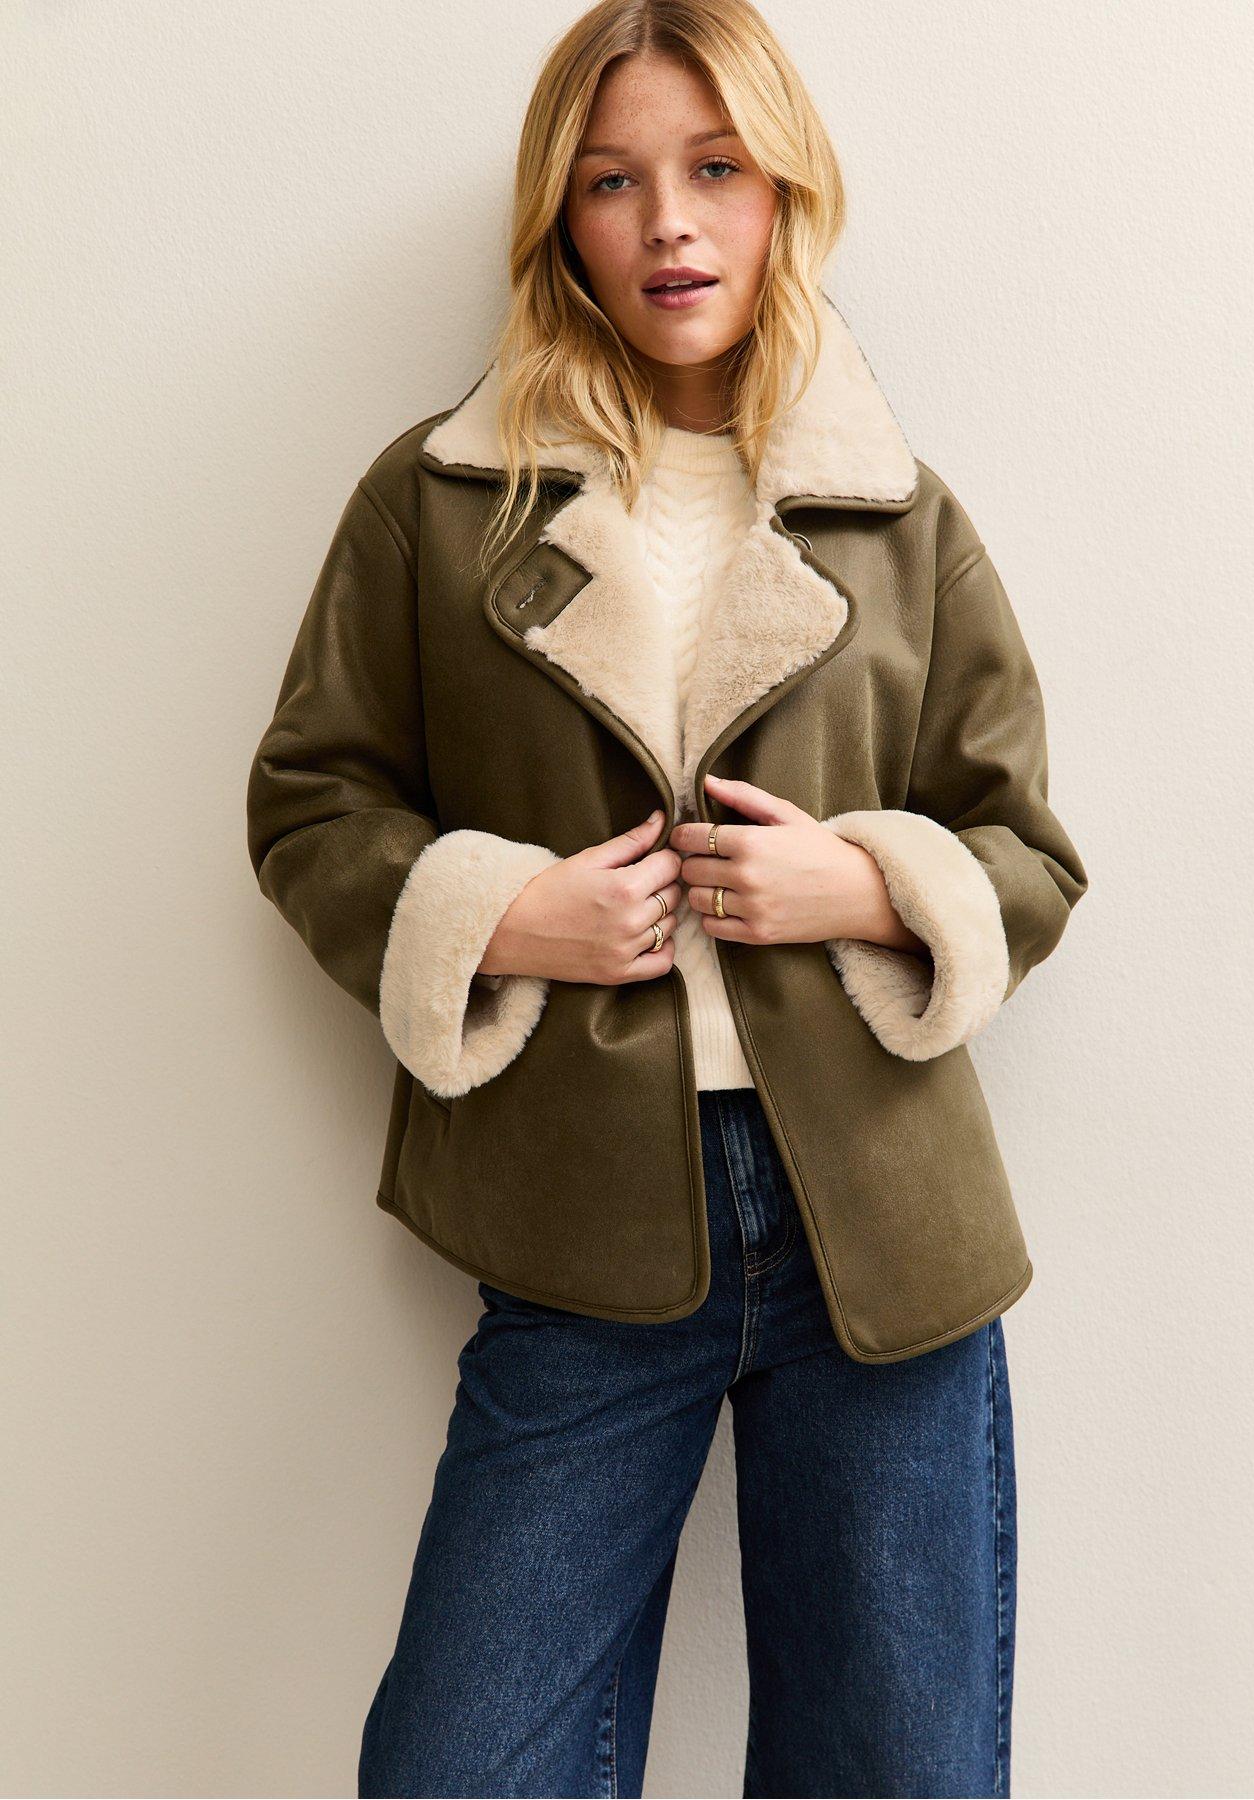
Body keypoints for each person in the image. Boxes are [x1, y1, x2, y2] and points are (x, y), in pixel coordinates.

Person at [246, 2, 1089, 1792]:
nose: (669, 225)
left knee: (893, 1771)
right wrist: (499, 915)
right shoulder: (440, 499)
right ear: (560, 216)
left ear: (785, 195)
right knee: (457, 1766)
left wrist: (865, 882)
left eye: (715, 170)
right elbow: (311, 804)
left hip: (881, 1230)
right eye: (612, 181)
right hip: (576, 1225)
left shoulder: (897, 515)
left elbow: (1025, 851)